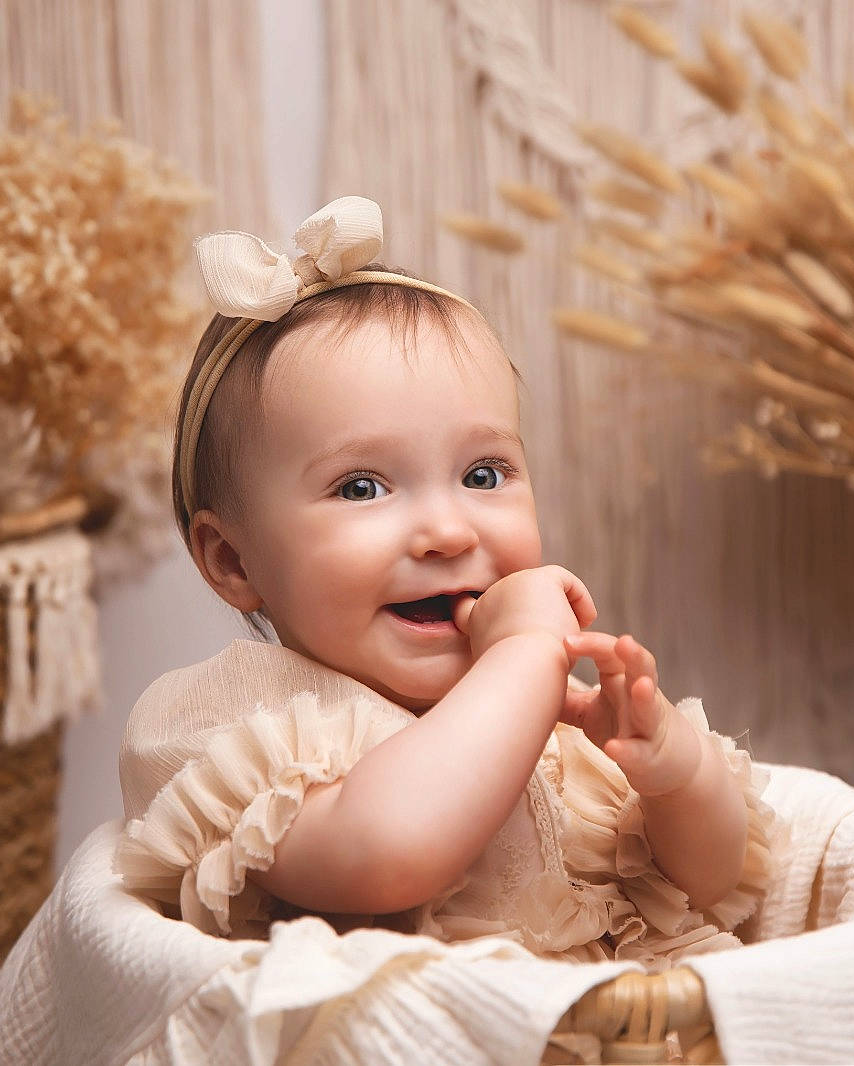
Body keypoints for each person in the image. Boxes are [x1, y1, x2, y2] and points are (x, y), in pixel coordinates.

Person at [115, 195, 774, 967]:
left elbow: (714, 884)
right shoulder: (224, 725)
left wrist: (675, 776)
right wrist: (526, 652)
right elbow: (393, 852)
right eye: (362, 487)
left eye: (483, 473)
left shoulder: (556, 726)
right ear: (233, 562)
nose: (449, 532)